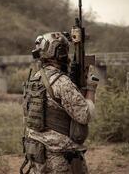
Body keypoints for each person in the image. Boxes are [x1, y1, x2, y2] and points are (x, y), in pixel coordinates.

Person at [21, 32, 97, 174]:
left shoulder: (34, 78)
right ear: (60, 52)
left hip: (37, 153)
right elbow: (85, 115)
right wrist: (91, 88)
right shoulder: (61, 82)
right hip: (59, 158)